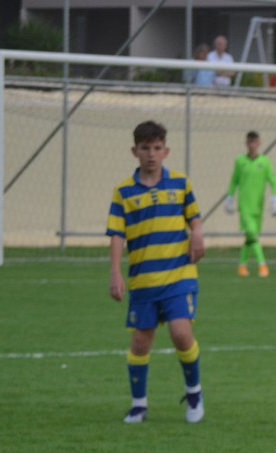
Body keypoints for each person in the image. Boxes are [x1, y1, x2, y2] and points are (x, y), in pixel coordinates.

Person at [106, 120, 206, 424]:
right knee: (141, 342)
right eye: (145, 148)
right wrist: (115, 273)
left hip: (179, 275)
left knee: (181, 333)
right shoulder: (123, 192)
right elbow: (117, 235)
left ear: (166, 151)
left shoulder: (180, 183)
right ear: (134, 151)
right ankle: (139, 404)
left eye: (157, 148)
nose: (151, 154)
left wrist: (197, 234)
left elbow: (194, 217)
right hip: (144, 280)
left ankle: (194, 393)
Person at [225, 131, 276, 277]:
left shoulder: (265, 161)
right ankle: (262, 265)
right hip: (244, 206)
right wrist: (230, 198)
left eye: (254, 142)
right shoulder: (240, 161)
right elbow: (234, 180)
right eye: (250, 142)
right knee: (251, 233)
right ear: (246, 143)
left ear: (259, 144)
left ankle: (242, 265)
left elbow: (273, 181)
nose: (252, 145)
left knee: (251, 237)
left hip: (258, 206)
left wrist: (275, 199)